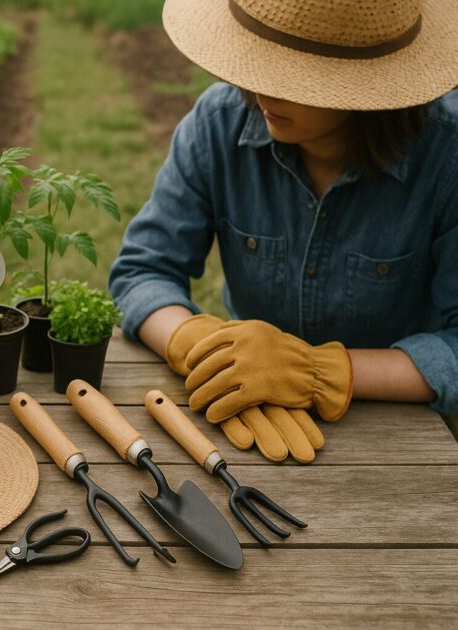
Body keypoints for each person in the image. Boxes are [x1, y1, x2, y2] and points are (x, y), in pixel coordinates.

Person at [109, 0, 458, 463]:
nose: (259, 90)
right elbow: (143, 271)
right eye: (258, 60)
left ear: (364, 82)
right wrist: (202, 345)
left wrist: (319, 372)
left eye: (291, 75)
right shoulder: (218, 125)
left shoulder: (446, 156)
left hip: (404, 435)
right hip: (246, 420)